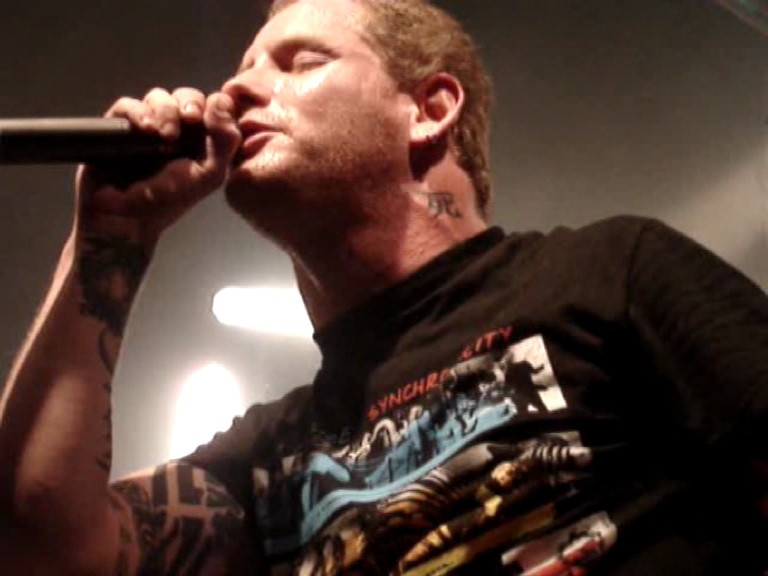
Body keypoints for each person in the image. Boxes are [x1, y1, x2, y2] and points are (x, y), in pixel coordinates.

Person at [0, 0, 765, 574]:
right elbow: (37, 540)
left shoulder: (607, 272)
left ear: (429, 110)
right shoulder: (269, 458)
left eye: (299, 62)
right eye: (243, 68)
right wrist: (110, 237)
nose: (235, 90)